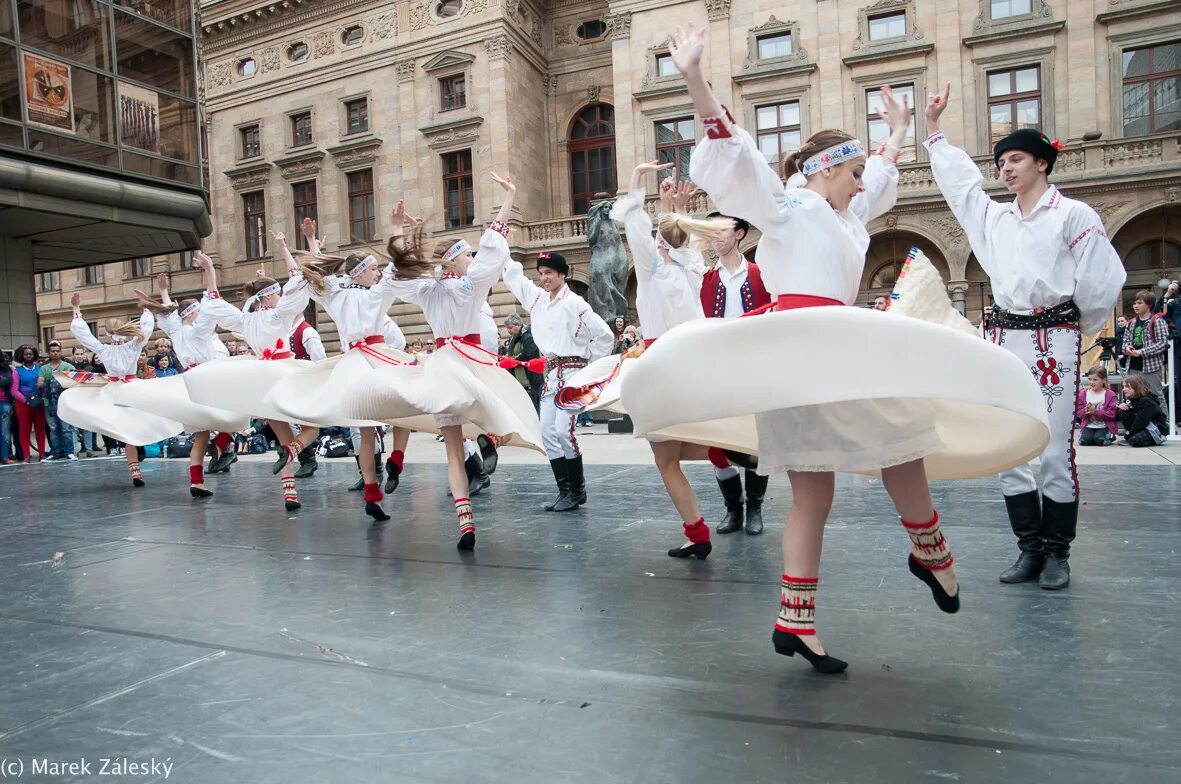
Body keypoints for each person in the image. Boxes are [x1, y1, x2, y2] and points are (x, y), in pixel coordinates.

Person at [622, 23, 1052, 673]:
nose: (860, 184)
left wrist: (901, 130)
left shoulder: (846, 217)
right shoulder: (789, 205)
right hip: (805, 350)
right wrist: (692, 79)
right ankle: (929, 550)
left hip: (816, 356)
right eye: (848, 173)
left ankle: (796, 620)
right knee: (899, 443)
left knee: (818, 490)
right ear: (823, 171)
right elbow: (733, 152)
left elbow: (879, 173)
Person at [924, 83, 1127, 590]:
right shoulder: (996, 218)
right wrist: (933, 133)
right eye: (1001, 163)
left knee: (1055, 448)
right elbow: (963, 190)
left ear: (1042, 162)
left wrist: (1070, 325)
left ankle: (1058, 551)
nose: (1005, 169)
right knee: (1010, 444)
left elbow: (1103, 281)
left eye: (1015, 159)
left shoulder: (1074, 215)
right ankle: (1029, 549)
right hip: (1003, 337)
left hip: (1052, 338)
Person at [573, 160, 735, 557]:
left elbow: (631, 224)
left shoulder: (652, 271)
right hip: (694, 364)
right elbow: (679, 239)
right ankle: (722, 451)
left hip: (662, 366)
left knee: (666, 461)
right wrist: (675, 210)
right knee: (680, 447)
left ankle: (698, 532)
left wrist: (634, 182)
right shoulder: (693, 267)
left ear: (659, 243)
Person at [182, 249, 318, 511]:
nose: (280, 297)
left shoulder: (245, 319)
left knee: (284, 438)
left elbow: (214, 304)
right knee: (312, 429)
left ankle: (290, 493)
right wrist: (305, 254)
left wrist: (210, 272)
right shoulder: (278, 315)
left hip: (263, 382)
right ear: (267, 297)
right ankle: (293, 453)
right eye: (275, 294)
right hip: (286, 375)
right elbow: (298, 286)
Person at [503, 244, 614, 513]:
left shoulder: (576, 303)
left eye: (550, 272)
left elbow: (604, 336)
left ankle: (577, 490)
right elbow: (514, 278)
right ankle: (564, 490)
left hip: (574, 373)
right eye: (541, 273)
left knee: (564, 431)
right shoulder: (538, 300)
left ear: (562, 274)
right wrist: (499, 245)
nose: (544, 278)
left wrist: (591, 369)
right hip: (552, 374)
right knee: (547, 433)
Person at [123, 271, 248, 498]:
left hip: (189, 384)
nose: (201, 314)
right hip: (207, 380)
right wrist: (210, 273)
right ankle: (220, 444)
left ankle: (197, 480)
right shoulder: (198, 332)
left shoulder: (176, 330)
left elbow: (170, 314)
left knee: (201, 434)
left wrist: (162, 291)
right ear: (191, 315)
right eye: (197, 311)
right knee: (239, 412)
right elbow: (209, 307)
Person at [57, 294, 184, 486]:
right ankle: (137, 451)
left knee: (125, 431)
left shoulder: (104, 350)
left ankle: (135, 471)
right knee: (138, 425)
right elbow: (147, 329)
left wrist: (76, 311)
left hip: (114, 392)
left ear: (108, 333)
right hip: (132, 389)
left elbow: (84, 336)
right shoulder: (133, 346)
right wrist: (146, 309)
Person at [701, 209, 771, 536]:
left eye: (722, 231)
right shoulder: (706, 278)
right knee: (716, 444)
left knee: (757, 441)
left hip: (755, 368)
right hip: (717, 369)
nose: (715, 238)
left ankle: (755, 508)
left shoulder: (760, 274)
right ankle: (733, 508)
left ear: (740, 233)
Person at [1121, 290, 1170, 415]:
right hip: (1132, 365)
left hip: (1150, 366)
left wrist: (1142, 352)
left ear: (1149, 304)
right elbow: (1124, 342)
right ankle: (1135, 424)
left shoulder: (1157, 321)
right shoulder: (1131, 323)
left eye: (1139, 303)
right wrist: (1127, 349)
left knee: (1156, 395)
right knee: (1132, 396)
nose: (1135, 306)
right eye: (1134, 303)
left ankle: (1164, 423)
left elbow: (1162, 343)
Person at [38, 341, 76, 461]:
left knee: (66, 428)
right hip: (49, 402)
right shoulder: (44, 368)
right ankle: (55, 452)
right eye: (53, 351)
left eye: (57, 351)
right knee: (53, 429)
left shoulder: (68, 366)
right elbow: (39, 383)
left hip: (64, 401)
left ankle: (69, 452)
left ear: (61, 352)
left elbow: (74, 381)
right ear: (49, 353)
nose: (55, 353)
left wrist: (53, 380)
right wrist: (57, 379)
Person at [12, 345, 46, 463]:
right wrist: (26, 400)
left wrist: (42, 397)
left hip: (38, 403)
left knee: (40, 429)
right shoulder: (17, 371)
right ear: (22, 356)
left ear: (34, 355)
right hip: (23, 404)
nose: (28, 356)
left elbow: (44, 384)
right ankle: (26, 455)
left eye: (30, 354)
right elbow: (14, 390)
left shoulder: (40, 368)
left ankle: (42, 454)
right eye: (26, 354)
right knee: (24, 429)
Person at [505, 313, 542, 412]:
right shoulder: (514, 338)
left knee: (534, 407)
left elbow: (528, 354)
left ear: (518, 325)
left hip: (530, 377)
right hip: (520, 377)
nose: (509, 331)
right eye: (507, 328)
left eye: (510, 327)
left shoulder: (528, 336)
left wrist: (513, 360)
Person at [1117, 374, 1168, 447]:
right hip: (1144, 427)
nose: (1124, 389)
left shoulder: (1146, 401)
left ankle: (1156, 439)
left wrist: (1128, 434)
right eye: (1123, 386)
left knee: (1134, 441)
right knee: (1123, 410)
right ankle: (1133, 435)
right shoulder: (1131, 399)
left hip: (1154, 429)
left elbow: (1141, 421)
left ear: (1137, 387)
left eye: (1127, 387)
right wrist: (1121, 407)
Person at [1076, 366, 1117, 446]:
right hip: (1089, 426)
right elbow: (1079, 414)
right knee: (1084, 442)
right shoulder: (1082, 394)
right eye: (1090, 379)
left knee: (1100, 441)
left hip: (1103, 426)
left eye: (1095, 380)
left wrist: (1095, 412)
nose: (1091, 382)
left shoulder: (1110, 394)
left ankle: (1110, 436)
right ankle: (1086, 435)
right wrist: (1086, 410)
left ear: (1104, 380)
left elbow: (1111, 414)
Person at [70, 347, 99, 457]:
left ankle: (89, 450)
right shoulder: (70, 368)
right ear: (73, 355)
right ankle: (74, 451)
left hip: (87, 399)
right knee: (74, 427)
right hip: (74, 399)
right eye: (77, 354)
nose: (79, 356)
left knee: (87, 426)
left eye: (81, 353)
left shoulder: (90, 368)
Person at [0, 352, 16, 464]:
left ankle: (4, 457)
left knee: (5, 430)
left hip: (5, 401)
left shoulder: (5, 367)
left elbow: (9, 380)